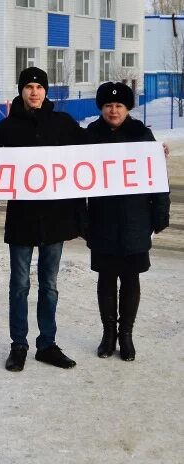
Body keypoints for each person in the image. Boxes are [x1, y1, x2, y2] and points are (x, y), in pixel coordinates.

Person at [0, 68, 85, 372]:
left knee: (49, 285)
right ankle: (19, 345)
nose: (34, 92)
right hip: (22, 218)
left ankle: (47, 344)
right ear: (21, 90)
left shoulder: (63, 123)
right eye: (29, 86)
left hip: (55, 219)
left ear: (46, 91)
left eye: (39, 87)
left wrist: (146, 148)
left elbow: (93, 151)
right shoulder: (5, 128)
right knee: (19, 285)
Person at [86, 82, 170, 362]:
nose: (113, 110)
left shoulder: (141, 135)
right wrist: (81, 221)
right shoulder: (90, 136)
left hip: (136, 219)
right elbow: (73, 180)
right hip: (102, 219)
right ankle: (108, 334)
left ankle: (126, 336)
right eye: (108, 105)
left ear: (127, 108)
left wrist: (160, 214)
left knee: (131, 279)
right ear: (101, 108)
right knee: (106, 279)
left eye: (119, 105)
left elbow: (159, 180)